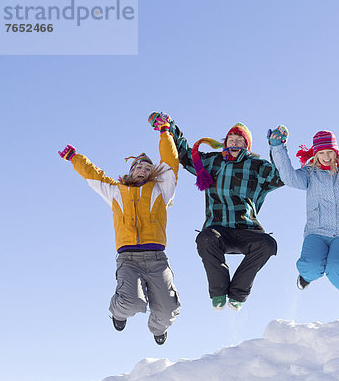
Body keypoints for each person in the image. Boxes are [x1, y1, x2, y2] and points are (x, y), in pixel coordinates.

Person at [57, 113, 180, 345]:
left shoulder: (162, 189)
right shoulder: (116, 192)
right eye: (138, 167)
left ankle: (158, 327)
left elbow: (171, 161)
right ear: (131, 171)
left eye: (147, 167)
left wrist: (165, 131)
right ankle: (118, 312)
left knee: (167, 311)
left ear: (152, 172)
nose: (142, 169)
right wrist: (74, 158)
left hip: (157, 258)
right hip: (128, 258)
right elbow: (94, 175)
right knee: (131, 303)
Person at [159, 114, 283, 311]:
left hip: (246, 229)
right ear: (225, 143)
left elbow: (280, 176)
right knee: (205, 238)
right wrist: (169, 127)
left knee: (268, 244)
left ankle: (238, 293)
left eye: (239, 140)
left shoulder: (257, 166)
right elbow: (185, 155)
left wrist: (277, 147)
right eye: (230, 139)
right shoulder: (212, 162)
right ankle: (218, 292)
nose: (234, 142)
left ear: (246, 144)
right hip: (218, 229)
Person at [268, 127, 339, 312]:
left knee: (338, 268)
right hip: (317, 232)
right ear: (315, 154)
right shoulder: (309, 174)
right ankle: (306, 276)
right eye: (321, 153)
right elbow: (289, 178)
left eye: (329, 152)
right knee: (309, 265)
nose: (326, 156)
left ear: (335, 152)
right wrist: (278, 148)